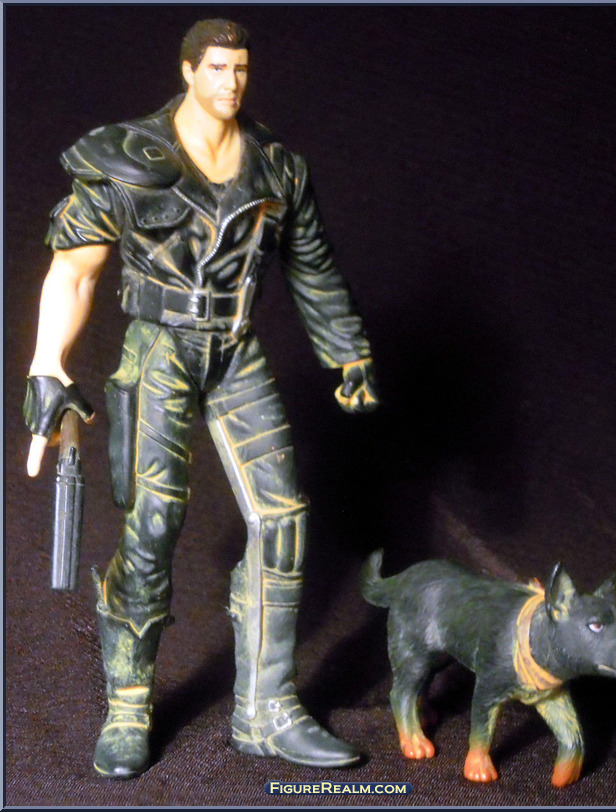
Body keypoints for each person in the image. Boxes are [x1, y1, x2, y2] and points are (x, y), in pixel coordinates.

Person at [23, 18, 379, 779]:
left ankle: (267, 709)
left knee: (284, 518)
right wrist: (47, 365)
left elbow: (312, 265)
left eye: (240, 68)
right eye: (216, 68)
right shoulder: (128, 157)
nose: (231, 82)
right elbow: (75, 271)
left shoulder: (276, 166)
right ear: (188, 71)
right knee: (153, 523)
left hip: (237, 349)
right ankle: (128, 704)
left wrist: (347, 352)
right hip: (160, 348)